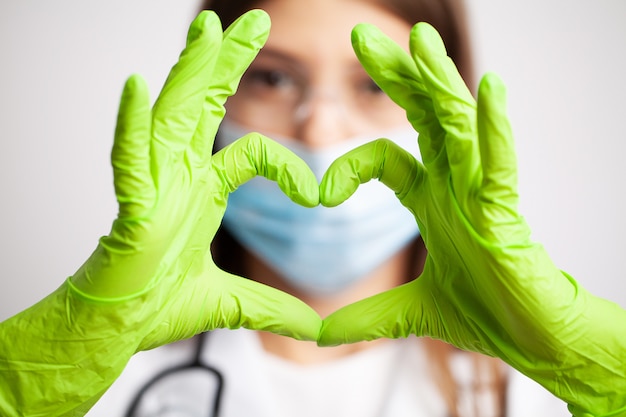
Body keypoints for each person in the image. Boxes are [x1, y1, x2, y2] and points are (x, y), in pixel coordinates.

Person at [0, 4, 624, 417]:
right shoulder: (105, 390)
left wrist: (598, 372)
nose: (322, 131)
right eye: (273, 79)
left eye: (376, 84)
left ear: (444, 115)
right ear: (211, 110)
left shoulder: (535, 394)